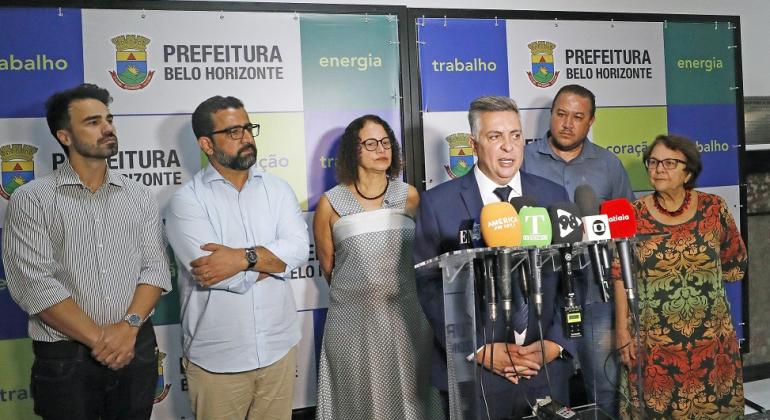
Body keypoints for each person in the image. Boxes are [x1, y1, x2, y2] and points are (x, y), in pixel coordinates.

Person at [2, 83, 172, 420]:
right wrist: (103, 341)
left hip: (135, 346)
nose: (108, 128)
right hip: (67, 359)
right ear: (64, 136)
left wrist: (128, 328)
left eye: (109, 119)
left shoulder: (138, 195)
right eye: (93, 122)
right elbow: (35, 286)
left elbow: (155, 267)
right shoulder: (32, 199)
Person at [414, 95, 577, 419]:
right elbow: (429, 288)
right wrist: (478, 348)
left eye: (515, 135)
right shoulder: (438, 204)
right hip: (476, 373)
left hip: (545, 368)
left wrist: (556, 343)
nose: (508, 147)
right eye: (495, 136)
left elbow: (575, 275)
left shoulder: (553, 195)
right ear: (474, 144)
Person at [164, 96, 309, 420]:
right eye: (233, 132)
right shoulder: (187, 202)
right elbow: (215, 274)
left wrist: (243, 257)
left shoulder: (278, 190)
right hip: (218, 360)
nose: (246, 138)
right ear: (206, 144)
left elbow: (299, 250)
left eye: (247, 128)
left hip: (278, 350)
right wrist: (274, 262)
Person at [313, 115, 440, 419]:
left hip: (407, 320)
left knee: (412, 402)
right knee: (358, 404)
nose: (381, 149)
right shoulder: (330, 203)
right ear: (352, 150)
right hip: (352, 326)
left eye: (386, 142)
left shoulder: (409, 196)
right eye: (370, 143)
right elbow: (330, 267)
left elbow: (424, 259)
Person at [614, 134, 747, 419]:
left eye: (669, 163)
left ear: (688, 173)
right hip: (654, 343)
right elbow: (619, 274)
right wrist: (622, 331)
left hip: (712, 340)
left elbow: (735, 262)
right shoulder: (632, 215)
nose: (659, 169)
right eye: (653, 162)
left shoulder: (714, 208)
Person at [523, 84, 635, 415]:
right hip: (542, 294)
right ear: (551, 115)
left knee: (605, 386)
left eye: (577, 117)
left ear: (591, 121)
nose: (567, 124)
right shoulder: (523, 159)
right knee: (547, 395)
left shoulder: (608, 164)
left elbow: (625, 232)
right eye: (561, 114)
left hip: (597, 292)